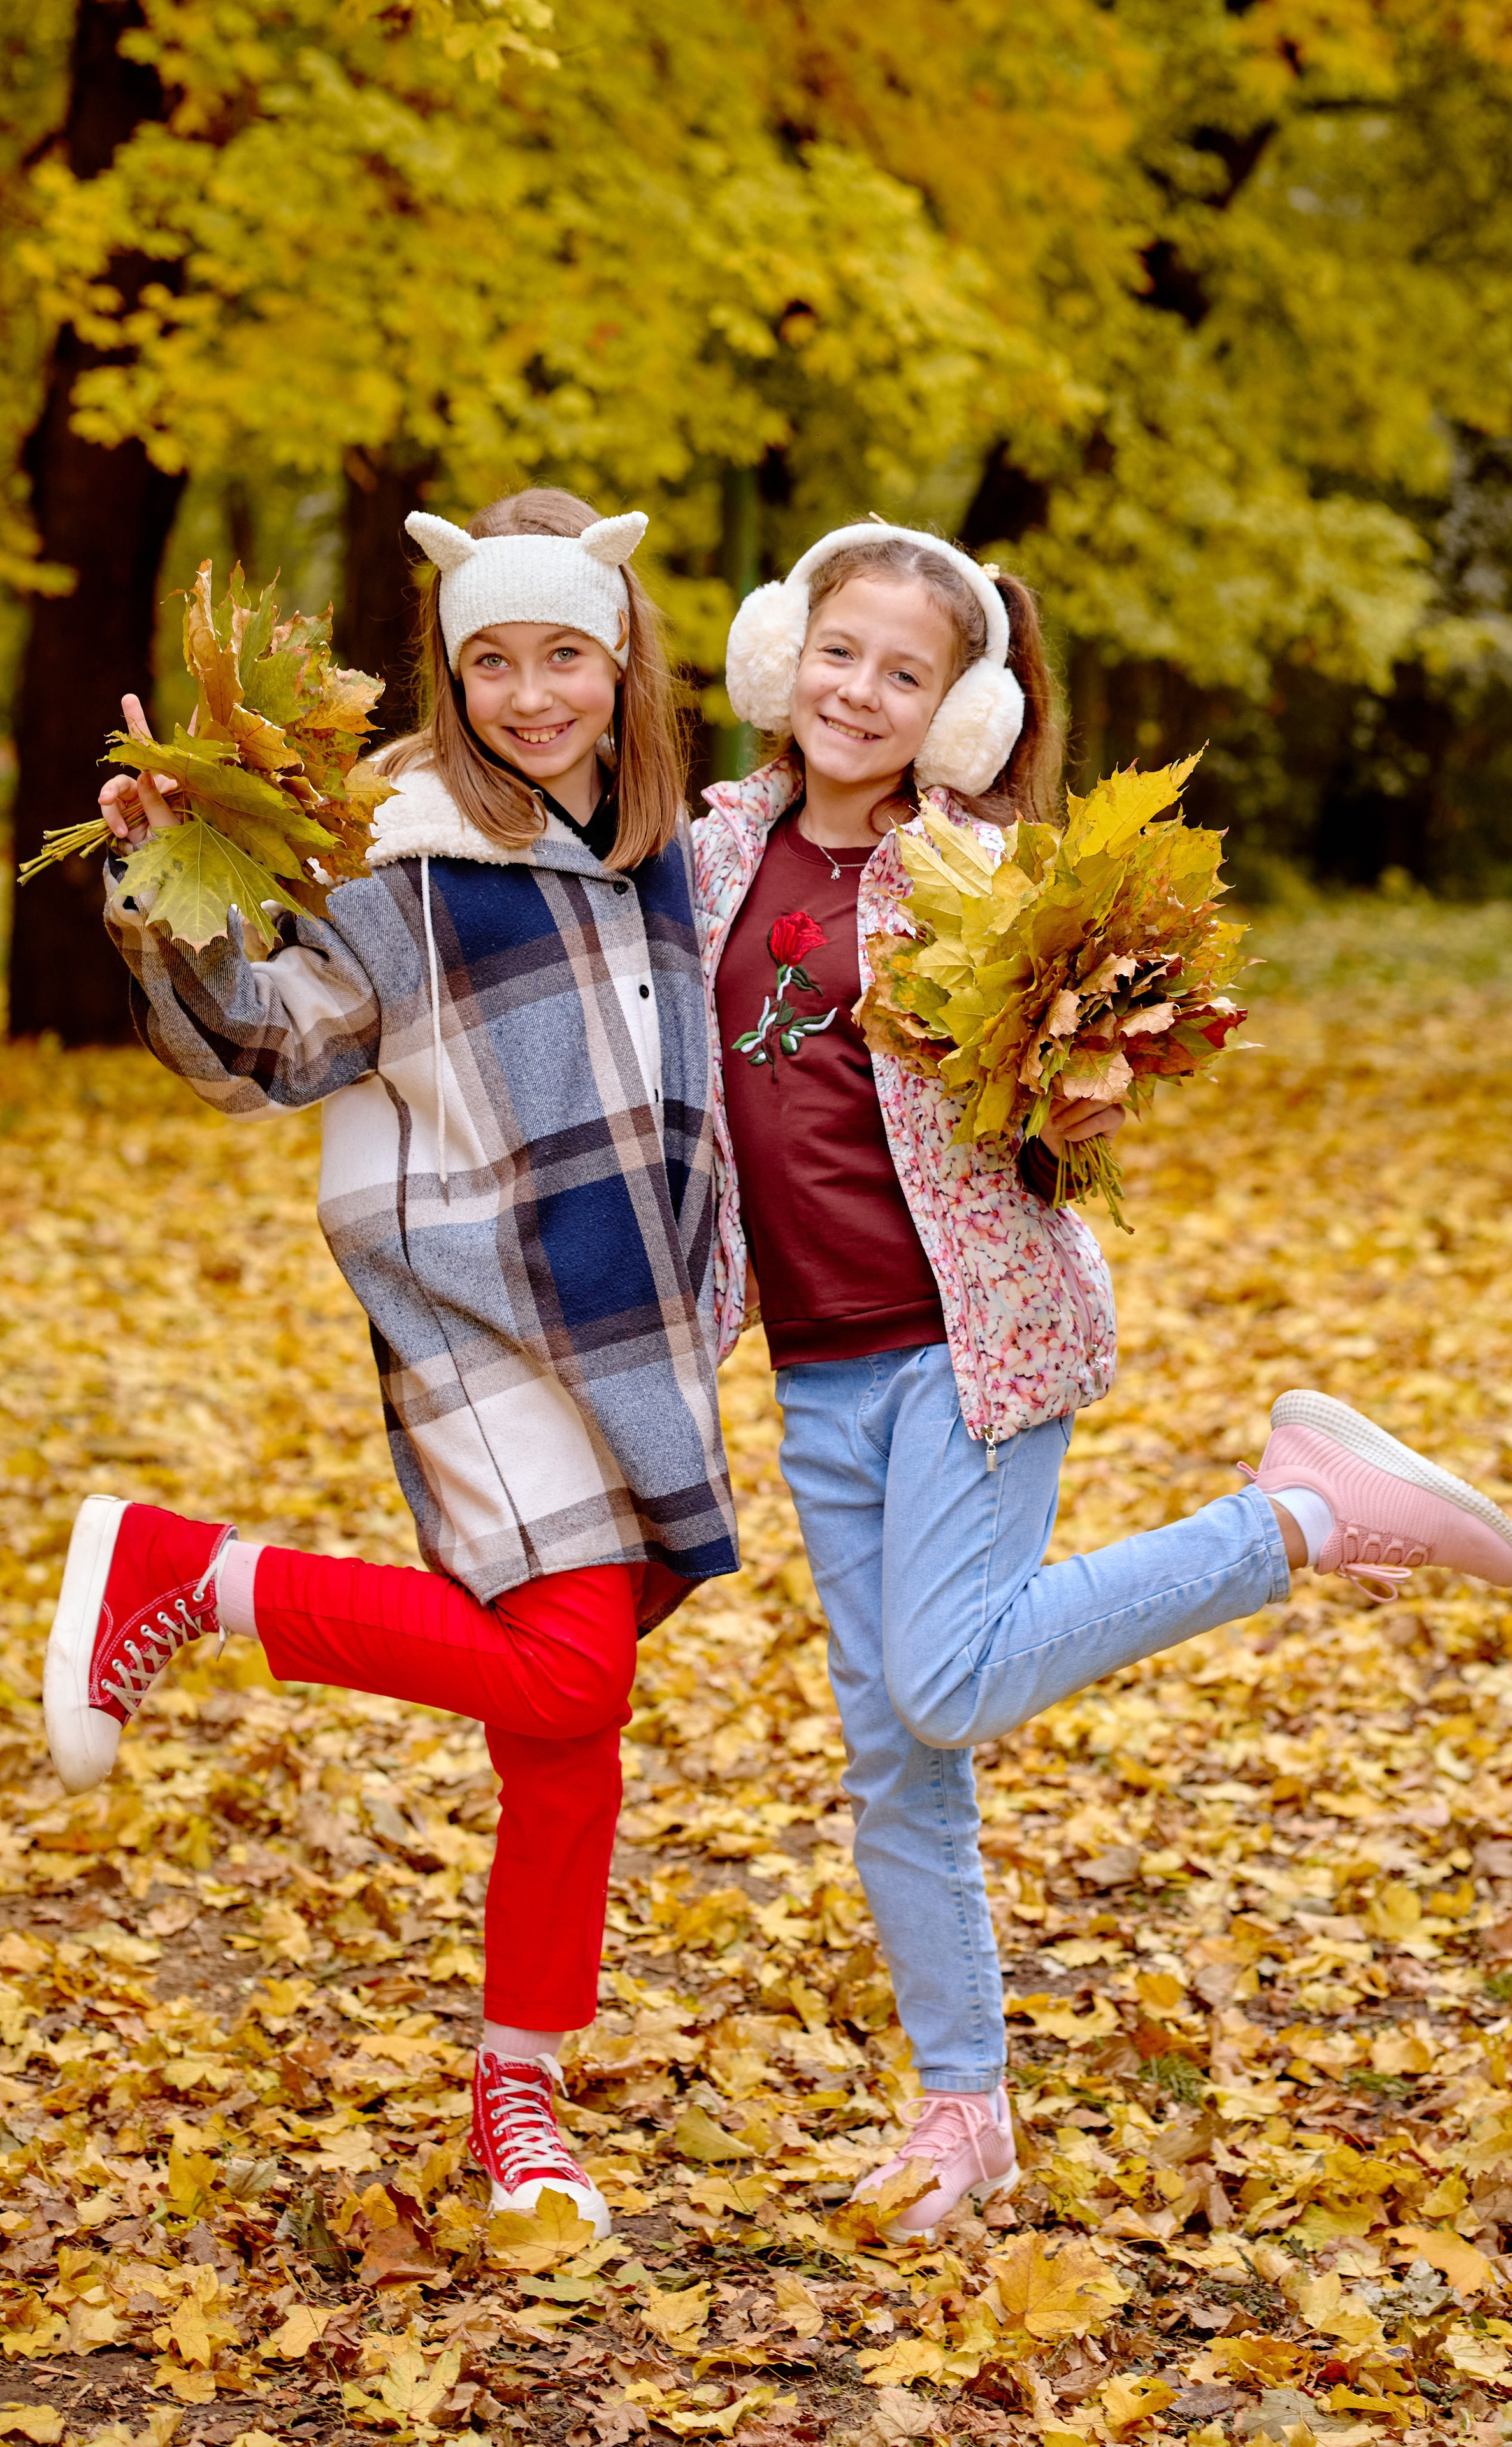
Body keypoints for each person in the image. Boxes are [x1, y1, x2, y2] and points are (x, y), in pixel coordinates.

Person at [694, 520, 1512, 2238]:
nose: (861, 691)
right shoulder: (710, 848)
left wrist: (1086, 1096)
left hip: (977, 1349)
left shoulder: (980, 878)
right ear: (783, 652)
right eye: (838, 653)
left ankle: (1298, 1515)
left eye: (905, 673)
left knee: (944, 1683)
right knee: (896, 1757)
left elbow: (1073, 1081)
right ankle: (962, 2115)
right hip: (816, 1368)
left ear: (962, 712)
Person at [42, 488, 737, 2238]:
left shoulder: (675, 850)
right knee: (570, 1677)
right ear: (447, 670)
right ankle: (196, 1574)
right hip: (480, 1320)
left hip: (638, 1331)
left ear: (622, 656)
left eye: (563, 653)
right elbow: (257, 1049)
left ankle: (526, 2102)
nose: (530, 694)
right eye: (489, 660)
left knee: (570, 1733)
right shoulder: (400, 861)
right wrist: (169, 879)